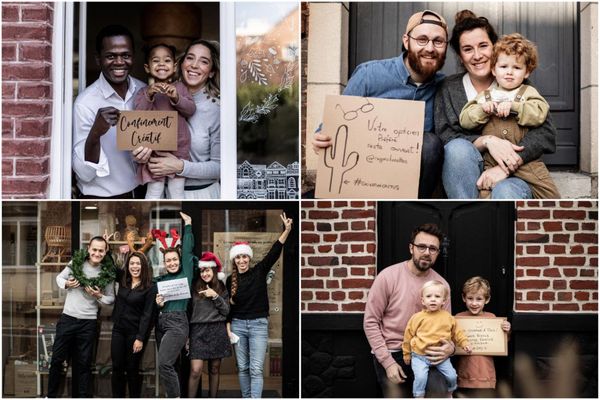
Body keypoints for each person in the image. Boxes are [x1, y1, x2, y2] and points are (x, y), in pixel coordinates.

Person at [312, 10, 448, 198]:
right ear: (407, 41)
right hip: (364, 175)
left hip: (416, 184)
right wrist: (320, 137)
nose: (431, 48)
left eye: (438, 41)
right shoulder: (369, 74)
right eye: (422, 39)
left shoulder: (445, 87)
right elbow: (332, 126)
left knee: (431, 143)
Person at [434, 10, 557, 199]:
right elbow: (445, 135)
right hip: (466, 174)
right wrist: (487, 141)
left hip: (515, 173)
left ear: (495, 47)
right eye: (467, 49)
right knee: (456, 148)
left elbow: (546, 133)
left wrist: (506, 166)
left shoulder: (515, 82)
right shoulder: (448, 89)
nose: (477, 55)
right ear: (460, 56)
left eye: (483, 45)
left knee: (506, 191)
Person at [459, 33, 560, 199]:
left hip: (528, 165)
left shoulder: (528, 92)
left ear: (527, 72)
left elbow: (540, 113)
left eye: (517, 68)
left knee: (551, 197)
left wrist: (516, 107)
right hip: (492, 164)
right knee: (485, 196)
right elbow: (465, 120)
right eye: (504, 67)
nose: (509, 72)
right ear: (493, 69)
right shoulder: (486, 96)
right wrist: (482, 110)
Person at [363, 223, 455, 398]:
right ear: (411, 248)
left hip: (428, 352)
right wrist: (387, 362)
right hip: (393, 352)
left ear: (437, 253)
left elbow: (447, 325)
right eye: (421, 246)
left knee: (439, 393)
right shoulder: (388, 276)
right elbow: (371, 321)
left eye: (433, 248)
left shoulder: (442, 285)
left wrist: (449, 348)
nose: (427, 252)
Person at [72, 25, 150, 198]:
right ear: (98, 59)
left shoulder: (144, 91)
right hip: (102, 198)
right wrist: (95, 133)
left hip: (143, 192)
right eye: (110, 56)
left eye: (126, 55)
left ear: (133, 57)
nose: (120, 62)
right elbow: (84, 174)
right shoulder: (85, 103)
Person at [226, 213, 293, 398]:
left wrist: (286, 230)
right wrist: (229, 329)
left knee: (256, 369)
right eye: (238, 257)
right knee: (243, 368)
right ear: (234, 260)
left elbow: (274, 251)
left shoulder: (259, 271)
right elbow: (229, 309)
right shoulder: (231, 280)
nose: (241, 261)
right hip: (238, 326)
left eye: (244, 257)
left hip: (258, 325)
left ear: (249, 258)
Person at [144, 39, 221, 199]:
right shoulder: (158, 97)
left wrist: (179, 166)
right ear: (180, 63)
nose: (194, 65)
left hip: (200, 195)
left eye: (204, 61)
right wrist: (141, 152)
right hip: (161, 193)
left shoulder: (216, 110)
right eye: (190, 58)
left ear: (211, 72)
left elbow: (220, 167)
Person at [47, 237, 116, 397]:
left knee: (84, 364)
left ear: (105, 252)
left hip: (89, 322)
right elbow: (59, 278)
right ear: (88, 249)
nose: (97, 253)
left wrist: (99, 296)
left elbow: (111, 299)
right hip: (68, 319)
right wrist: (67, 284)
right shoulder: (76, 264)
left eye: (101, 250)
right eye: (94, 249)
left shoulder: (107, 272)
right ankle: (50, 396)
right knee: (57, 359)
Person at [134, 43, 196, 199]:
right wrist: (149, 95)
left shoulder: (181, 88)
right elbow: (138, 117)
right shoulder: (143, 92)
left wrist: (176, 97)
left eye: (167, 60)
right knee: (154, 192)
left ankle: (181, 220)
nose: (161, 64)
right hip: (155, 153)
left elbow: (190, 110)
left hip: (179, 151)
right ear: (147, 68)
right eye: (156, 61)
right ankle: (153, 219)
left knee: (177, 193)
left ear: (174, 67)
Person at [402, 280, 471, 398]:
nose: (433, 299)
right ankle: (418, 395)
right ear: (423, 300)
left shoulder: (448, 318)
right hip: (420, 355)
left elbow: (457, 332)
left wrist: (464, 343)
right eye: (429, 296)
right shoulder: (417, 317)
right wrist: (406, 354)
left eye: (437, 296)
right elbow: (408, 336)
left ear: (443, 301)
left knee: (452, 376)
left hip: (441, 356)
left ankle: (450, 391)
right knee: (420, 377)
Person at [154, 212, 195, 398]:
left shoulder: (185, 273)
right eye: (168, 260)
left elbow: (187, 250)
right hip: (163, 323)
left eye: (174, 260)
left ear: (179, 260)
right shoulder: (163, 280)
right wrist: (159, 304)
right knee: (169, 364)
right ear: (164, 263)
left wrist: (188, 225)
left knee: (164, 363)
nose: (171, 263)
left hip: (178, 324)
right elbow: (162, 306)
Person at [111, 251, 157, 398]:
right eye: (132, 263)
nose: (135, 266)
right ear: (128, 266)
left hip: (134, 333)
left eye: (138, 263)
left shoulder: (150, 287)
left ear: (143, 266)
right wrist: (107, 249)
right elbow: (110, 266)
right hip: (118, 330)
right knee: (117, 367)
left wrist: (140, 338)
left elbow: (148, 314)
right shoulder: (124, 280)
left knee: (132, 368)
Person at [455, 277, 511, 397]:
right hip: (465, 375)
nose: (474, 303)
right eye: (470, 298)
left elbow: (501, 343)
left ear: (487, 299)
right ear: (463, 298)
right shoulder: (458, 318)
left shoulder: (492, 318)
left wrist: (506, 330)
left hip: (486, 375)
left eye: (479, 299)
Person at [188, 251, 231, 398]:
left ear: (213, 270)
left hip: (217, 330)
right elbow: (189, 312)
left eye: (207, 270)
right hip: (198, 331)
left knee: (214, 368)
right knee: (195, 370)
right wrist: (187, 336)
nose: (204, 274)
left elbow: (226, 312)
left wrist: (215, 296)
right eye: (202, 271)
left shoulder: (222, 287)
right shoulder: (194, 287)